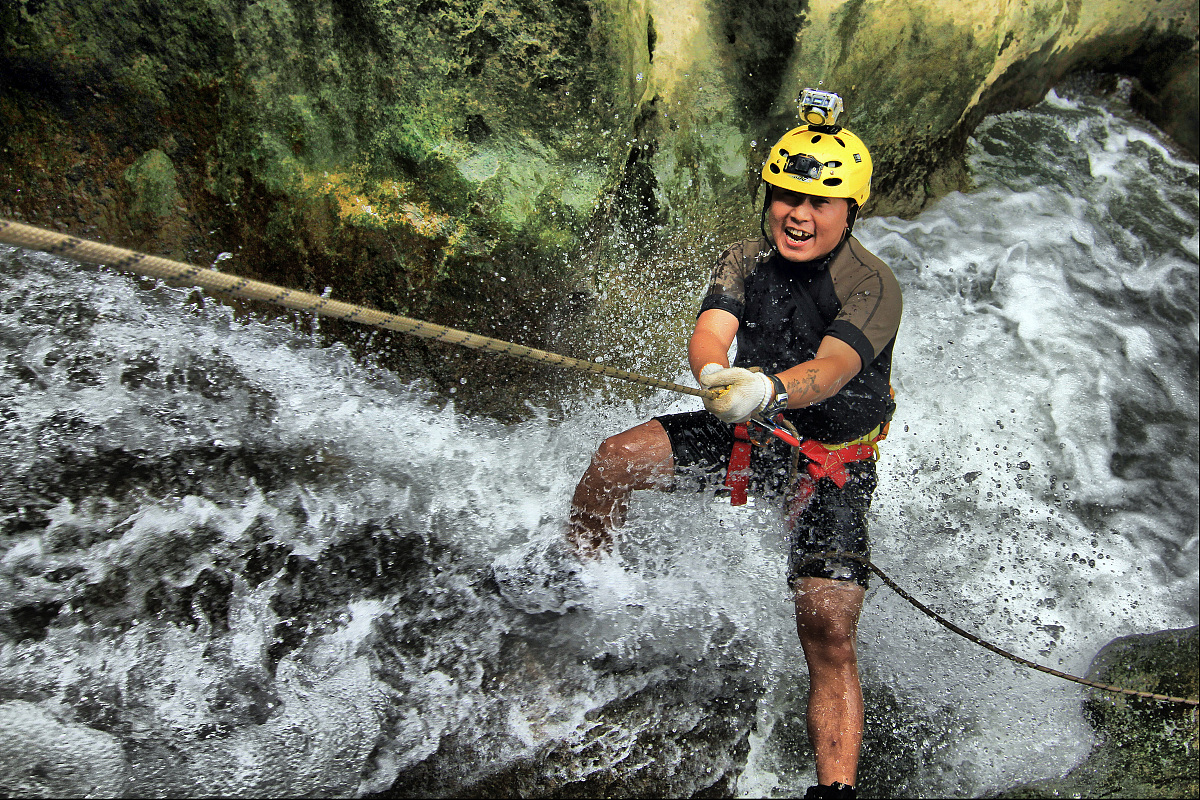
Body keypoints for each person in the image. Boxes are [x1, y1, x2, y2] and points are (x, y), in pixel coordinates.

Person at [566, 96, 902, 800]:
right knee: (614, 460)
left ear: (851, 211)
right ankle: (577, 579)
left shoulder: (872, 286)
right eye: (785, 196)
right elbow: (712, 329)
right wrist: (715, 375)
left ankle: (834, 790)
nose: (798, 215)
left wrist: (770, 388)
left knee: (828, 625)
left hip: (826, 462)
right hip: (750, 431)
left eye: (819, 201)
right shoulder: (745, 258)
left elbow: (834, 368)